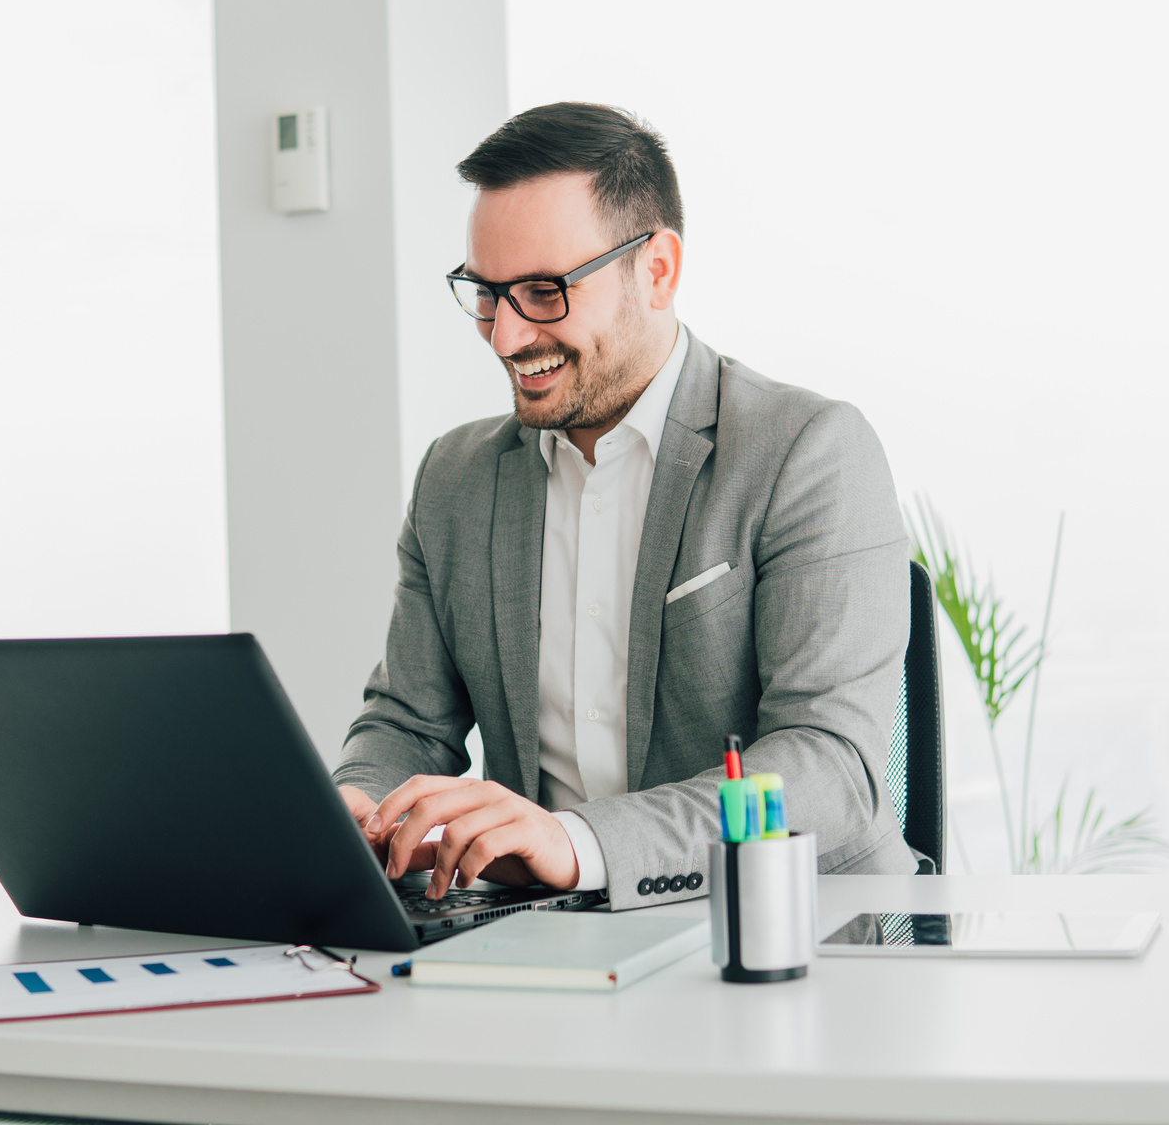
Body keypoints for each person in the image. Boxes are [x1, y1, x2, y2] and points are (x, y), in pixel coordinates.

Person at [333, 102, 915, 911]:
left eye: (543, 291)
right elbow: (406, 722)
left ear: (659, 270)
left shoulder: (807, 451)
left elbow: (828, 768)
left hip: (789, 934)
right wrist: (359, 803)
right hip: (551, 940)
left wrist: (574, 843)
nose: (504, 337)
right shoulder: (455, 479)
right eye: (486, 292)